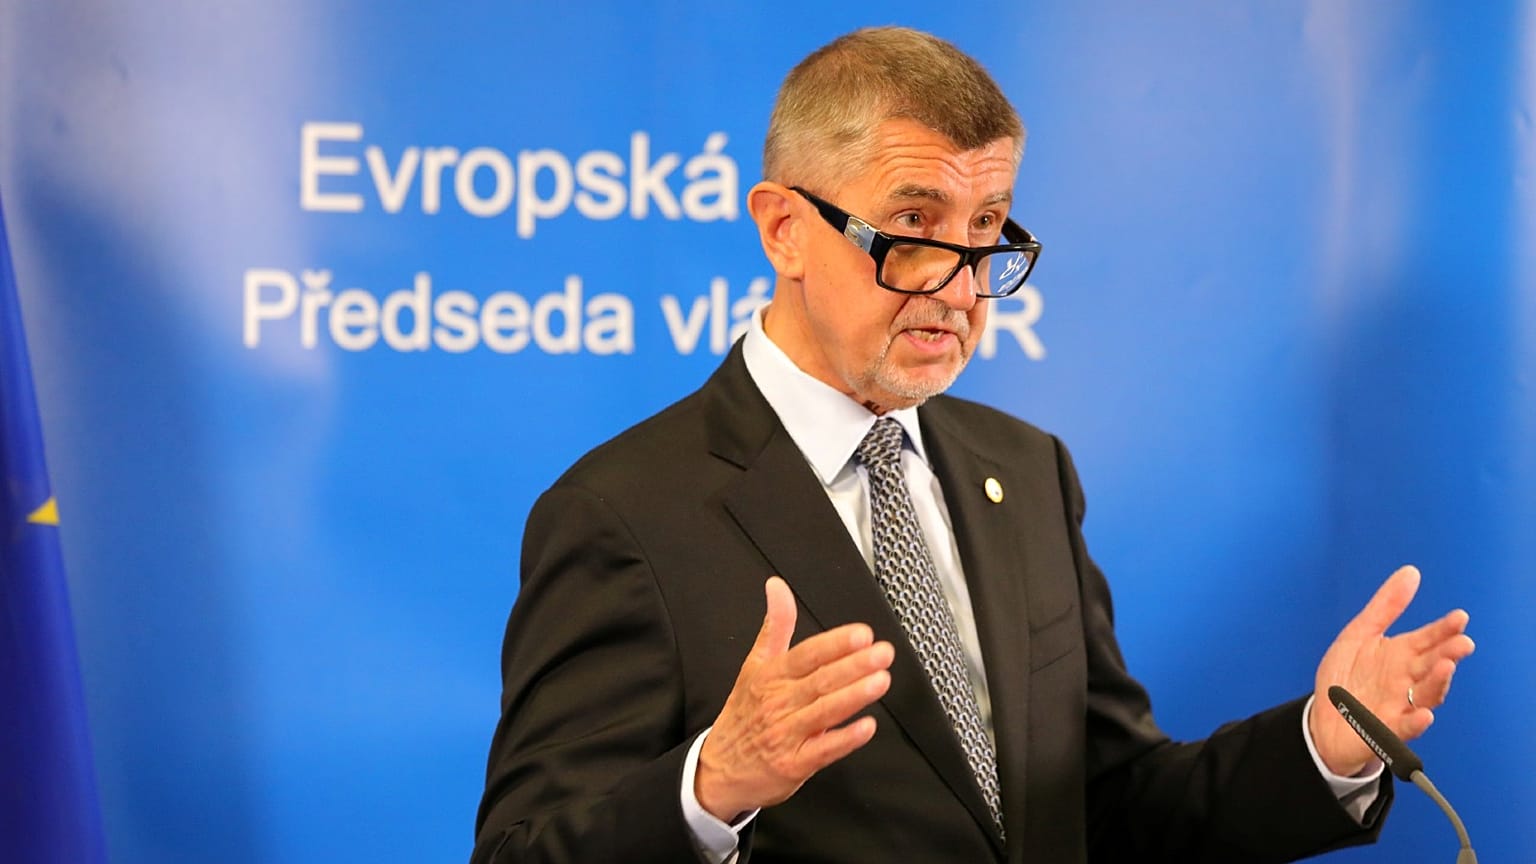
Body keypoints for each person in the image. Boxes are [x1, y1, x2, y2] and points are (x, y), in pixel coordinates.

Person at [470, 26, 1474, 864]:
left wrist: (1324, 746)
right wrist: (710, 786)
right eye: (914, 226)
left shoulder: (1026, 470)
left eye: (988, 227)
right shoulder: (627, 512)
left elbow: (1109, 800)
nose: (960, 286)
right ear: (783, 230)